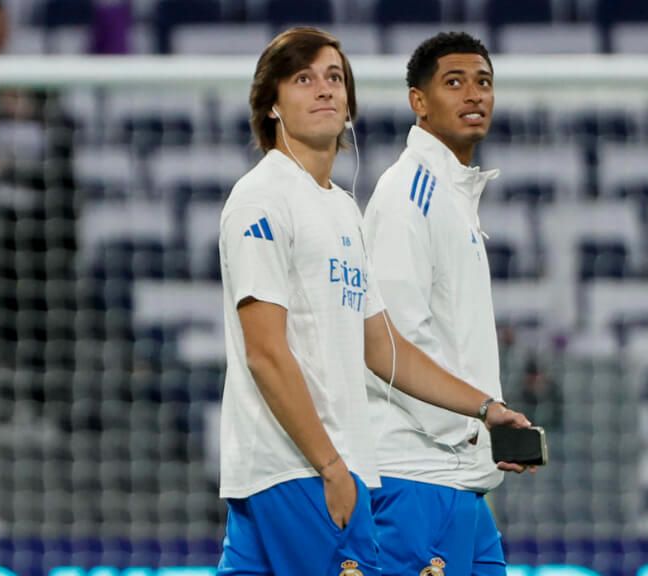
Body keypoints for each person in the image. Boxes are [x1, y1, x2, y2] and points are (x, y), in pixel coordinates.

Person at [216, 27, 530, 576]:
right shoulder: (262, 198)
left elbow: (382, 346)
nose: (324, 90)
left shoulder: (341, 208)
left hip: (317, 472)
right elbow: (264, 352)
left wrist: (484, 408)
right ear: (270, 105)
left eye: (334, 78)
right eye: (303, 78)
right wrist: (333, 467)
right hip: (302, 473)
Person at [363, 32, 526, 576]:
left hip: (460, 481)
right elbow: (391, 343)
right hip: (414, 477)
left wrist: (484, 434)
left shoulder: (452, 195)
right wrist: (478, 421)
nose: (474, 94)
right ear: (419, 101)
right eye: (453, 82)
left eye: (483, 82)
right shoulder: (408, 193)